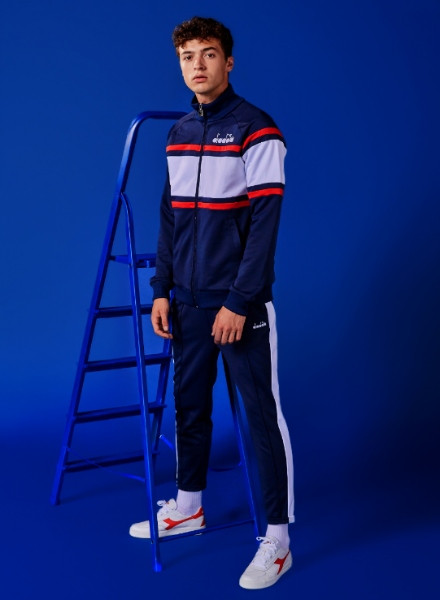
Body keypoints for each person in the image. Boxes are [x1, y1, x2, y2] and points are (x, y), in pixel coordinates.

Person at [129, 16, 294, 590]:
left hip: (238, 306)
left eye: (208, 53)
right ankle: (188, 506)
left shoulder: (257, 130)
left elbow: (265, 228)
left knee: (260, 417)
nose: (197, 65)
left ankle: (278, 541)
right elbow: (170, 218)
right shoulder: (178, 133)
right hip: (188, 302)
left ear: (229, 62)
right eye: (187, 56)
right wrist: (162, 290)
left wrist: (239, 302)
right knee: (190, 406)